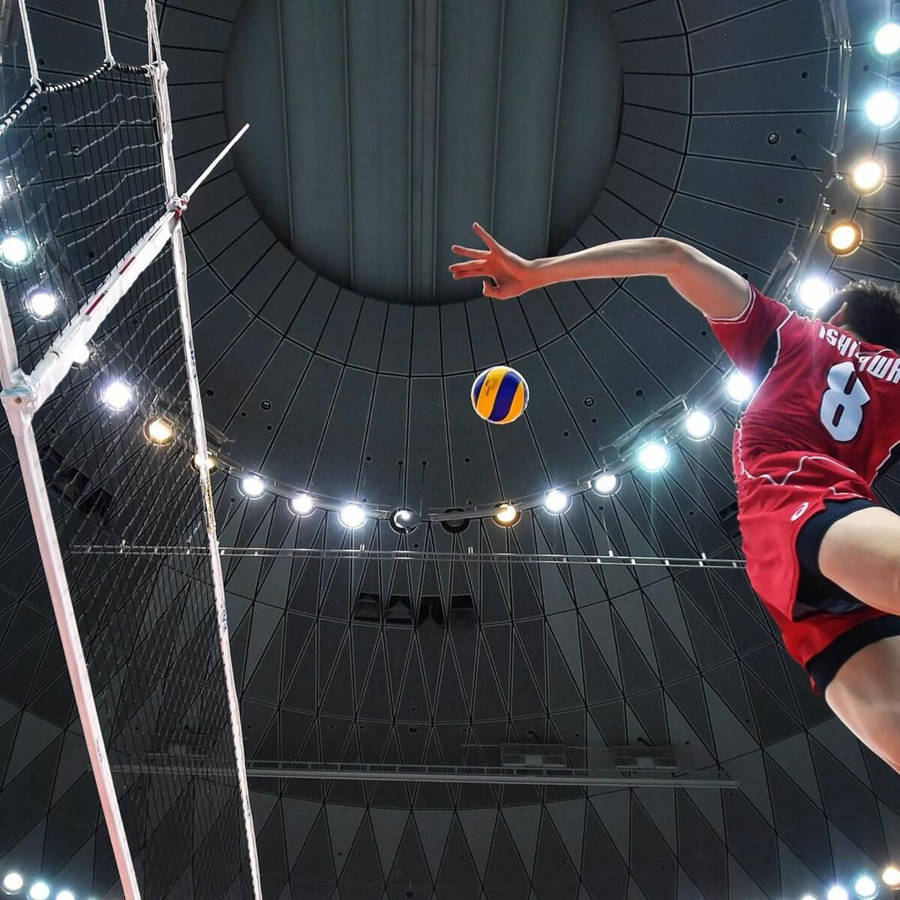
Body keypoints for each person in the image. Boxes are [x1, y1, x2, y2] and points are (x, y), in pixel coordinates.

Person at [450, 223, 900, 771]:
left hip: (796, 519)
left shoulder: (795, 334)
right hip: (823, 532)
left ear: (837, 316)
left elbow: (672, 255)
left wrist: (537, 272)